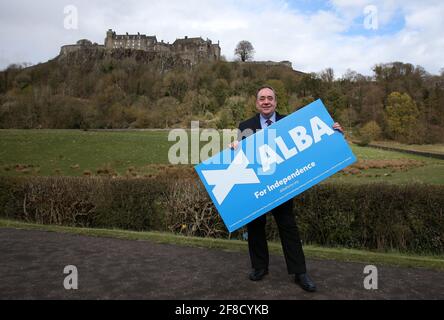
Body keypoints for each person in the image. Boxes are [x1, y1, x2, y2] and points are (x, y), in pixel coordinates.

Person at [230, 86, 344, 292]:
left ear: (276, 102)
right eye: (262, 98)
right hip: (257, 187)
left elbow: (311, 146)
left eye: (270, 98)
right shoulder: (245, 126)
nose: (266, 101)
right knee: (255, 228)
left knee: (289, 228)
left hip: (283, 188)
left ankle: (300, 272)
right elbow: (240, 160)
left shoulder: (290, 123)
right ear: (257, 103)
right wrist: (233, 149)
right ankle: (259, 267)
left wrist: (332, 132)